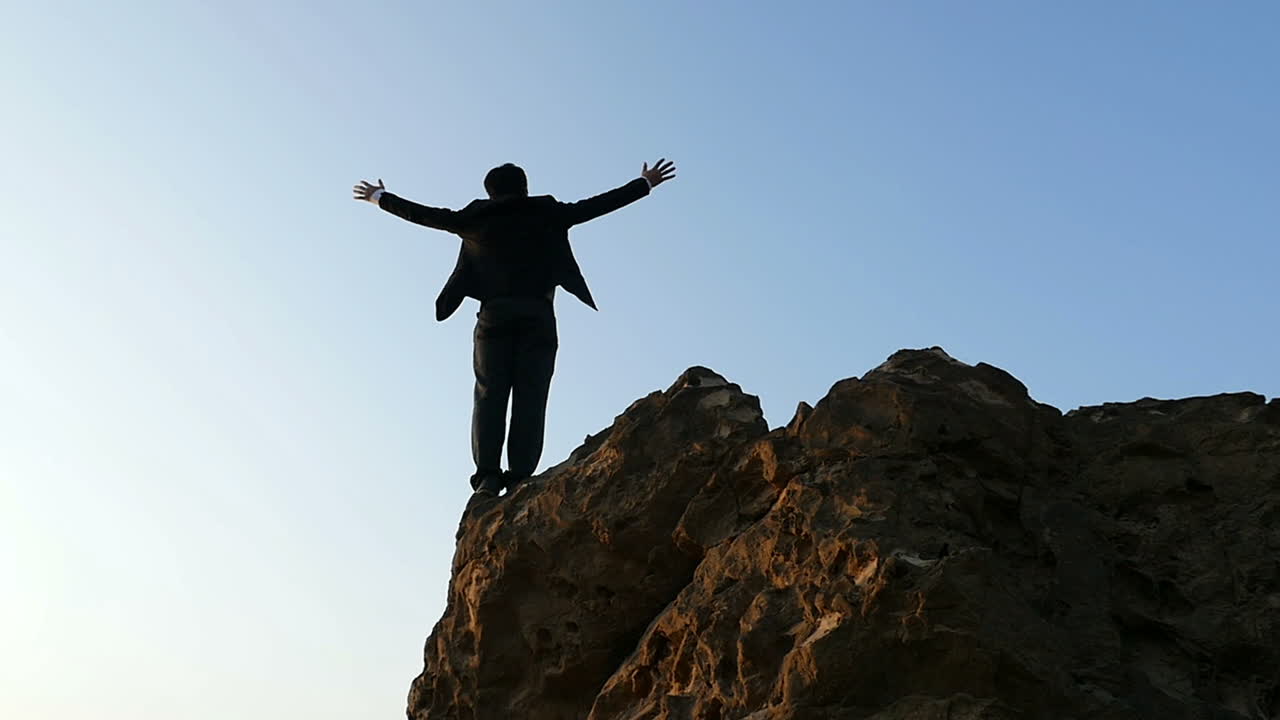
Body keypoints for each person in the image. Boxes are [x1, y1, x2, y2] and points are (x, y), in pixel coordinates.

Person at [352, 159, 677, 497]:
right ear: (524, 187)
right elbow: (597, 205)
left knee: (489, 395)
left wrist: (379, 197)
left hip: (494, 317)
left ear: (489, 192)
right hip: (538, 315)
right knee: (531, 396)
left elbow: (425, 215)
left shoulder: (475, 218)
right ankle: (520, 476)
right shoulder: (547, 211)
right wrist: (645, 183)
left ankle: (488, 478)